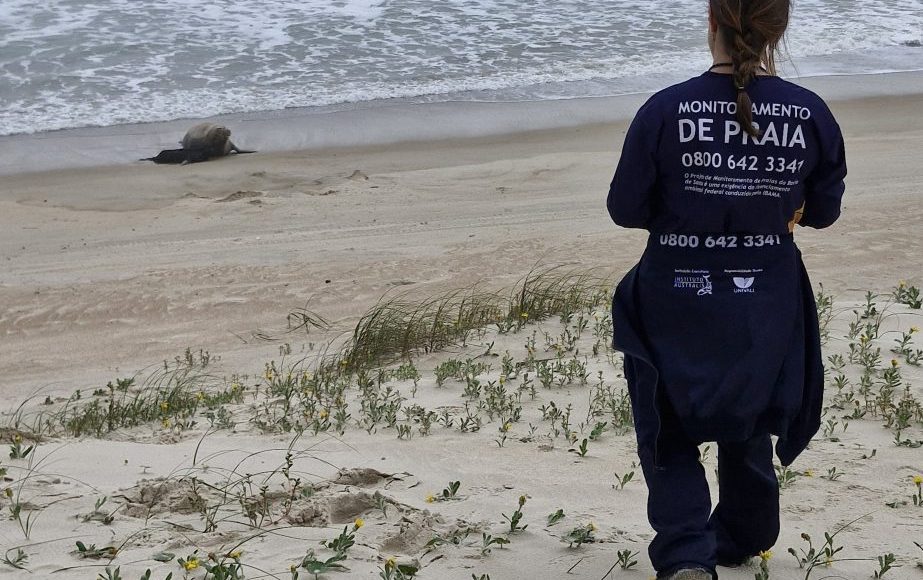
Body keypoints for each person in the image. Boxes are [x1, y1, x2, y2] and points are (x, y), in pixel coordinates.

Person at [606, 1, 846, 579]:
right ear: (777, 30)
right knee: (750, 409)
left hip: (674, 295)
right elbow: (824, 212)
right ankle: (743, 533)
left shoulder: (664, 109)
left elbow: (625, 208)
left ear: (710, 22)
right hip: (766, 294)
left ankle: (690, 553)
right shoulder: (809, 112)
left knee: (667, 422)